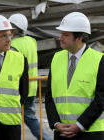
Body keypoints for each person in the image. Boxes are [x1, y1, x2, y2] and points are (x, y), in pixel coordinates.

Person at [45, 12, 104, 140]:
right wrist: (56, 123)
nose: (60, 38)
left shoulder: (99, 60)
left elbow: (101, 98)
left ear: (79, 38)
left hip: (90, 133)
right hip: (61, 132)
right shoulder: (56, 58)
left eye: (65, 35)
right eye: (61, 34)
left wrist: (80, 125)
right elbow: (49, 95)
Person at [8, 13, 51, 140]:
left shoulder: (14, 45)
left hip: (20, 86)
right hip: (31, 85)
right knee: (28, 115)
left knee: (26, 117)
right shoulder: (31, 41)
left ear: (14, 29)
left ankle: (46, 139)